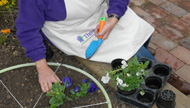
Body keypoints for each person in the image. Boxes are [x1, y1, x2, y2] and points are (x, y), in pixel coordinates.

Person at [15, 0, 190, 95]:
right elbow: (27, 30)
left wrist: (114, 17)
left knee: (139, 27)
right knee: (136, 54)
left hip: (103, 13)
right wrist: (42, 67)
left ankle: (150, 61)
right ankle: (161, 75)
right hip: (71, 28)